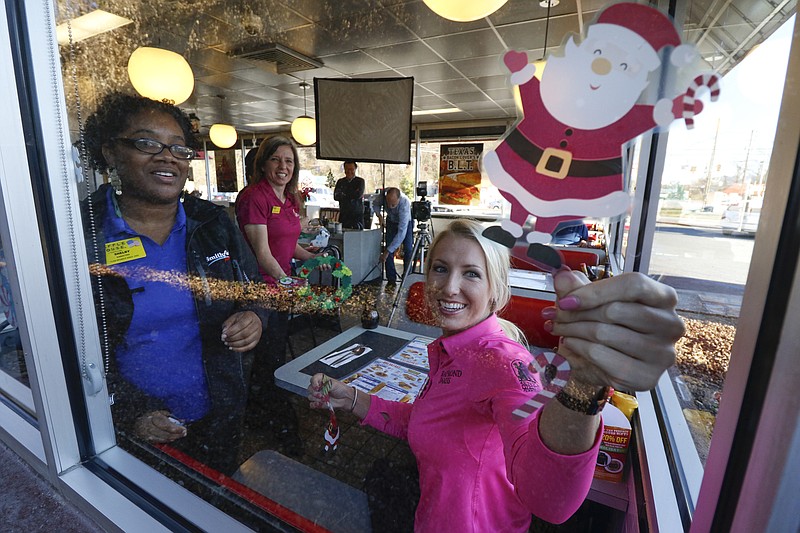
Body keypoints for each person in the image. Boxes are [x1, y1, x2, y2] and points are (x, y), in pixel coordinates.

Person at [308, 219, 684, 530]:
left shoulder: (501, 363)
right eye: (440, 268)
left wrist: (583, 386)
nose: (449, 286)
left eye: (471, 273)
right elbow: (430, 422)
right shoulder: (454, 349)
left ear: (495, 290)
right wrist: (354, 399)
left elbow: (550, 500)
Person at [81, 92, 267, 475]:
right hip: (130, 430)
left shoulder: (212, 225)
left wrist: (255, 316)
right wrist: (130, 412)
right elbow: (71, 347)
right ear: (111, 153)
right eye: (147, 143)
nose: (167, 157)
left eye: (179, 149)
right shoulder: (83, 234)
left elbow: (255, 291)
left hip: (218, 414)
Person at [234, 136, 322, 452]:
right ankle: (275, 423)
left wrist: (312, 256)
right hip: (260, 293)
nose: (283, 167)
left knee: (272, 356)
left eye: (289, 161)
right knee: (267, 358)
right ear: (263, 163)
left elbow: (285, 244)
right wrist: (287, 282)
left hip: (280, 290)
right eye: (276, 160)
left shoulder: (288, 199)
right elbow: (261, 252)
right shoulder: (253, 197)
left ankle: (258, 411)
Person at [373, 187, 413, 285]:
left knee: (408, 249)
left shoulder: (405, 204)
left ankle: (407, 277)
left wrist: (387, 251)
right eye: (388, 203)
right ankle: (391, 279)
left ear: (399, 199)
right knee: (388, 246)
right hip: (391, 221)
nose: (390, 207)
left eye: (393, 204)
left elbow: (401, 233)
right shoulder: (382, 196)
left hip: (405, 224)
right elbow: (375, 204)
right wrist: (379, 215)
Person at [333, 160, 366, 229]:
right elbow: (336, 196)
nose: (349, 171)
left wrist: (344, 193)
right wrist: (351, 193)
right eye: (347, 169)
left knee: (357, 235)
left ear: (355, 169)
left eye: (351, 169)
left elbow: (358, 195)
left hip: (357, 215)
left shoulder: (360, 181)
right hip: (344, 214)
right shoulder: (340, 181)